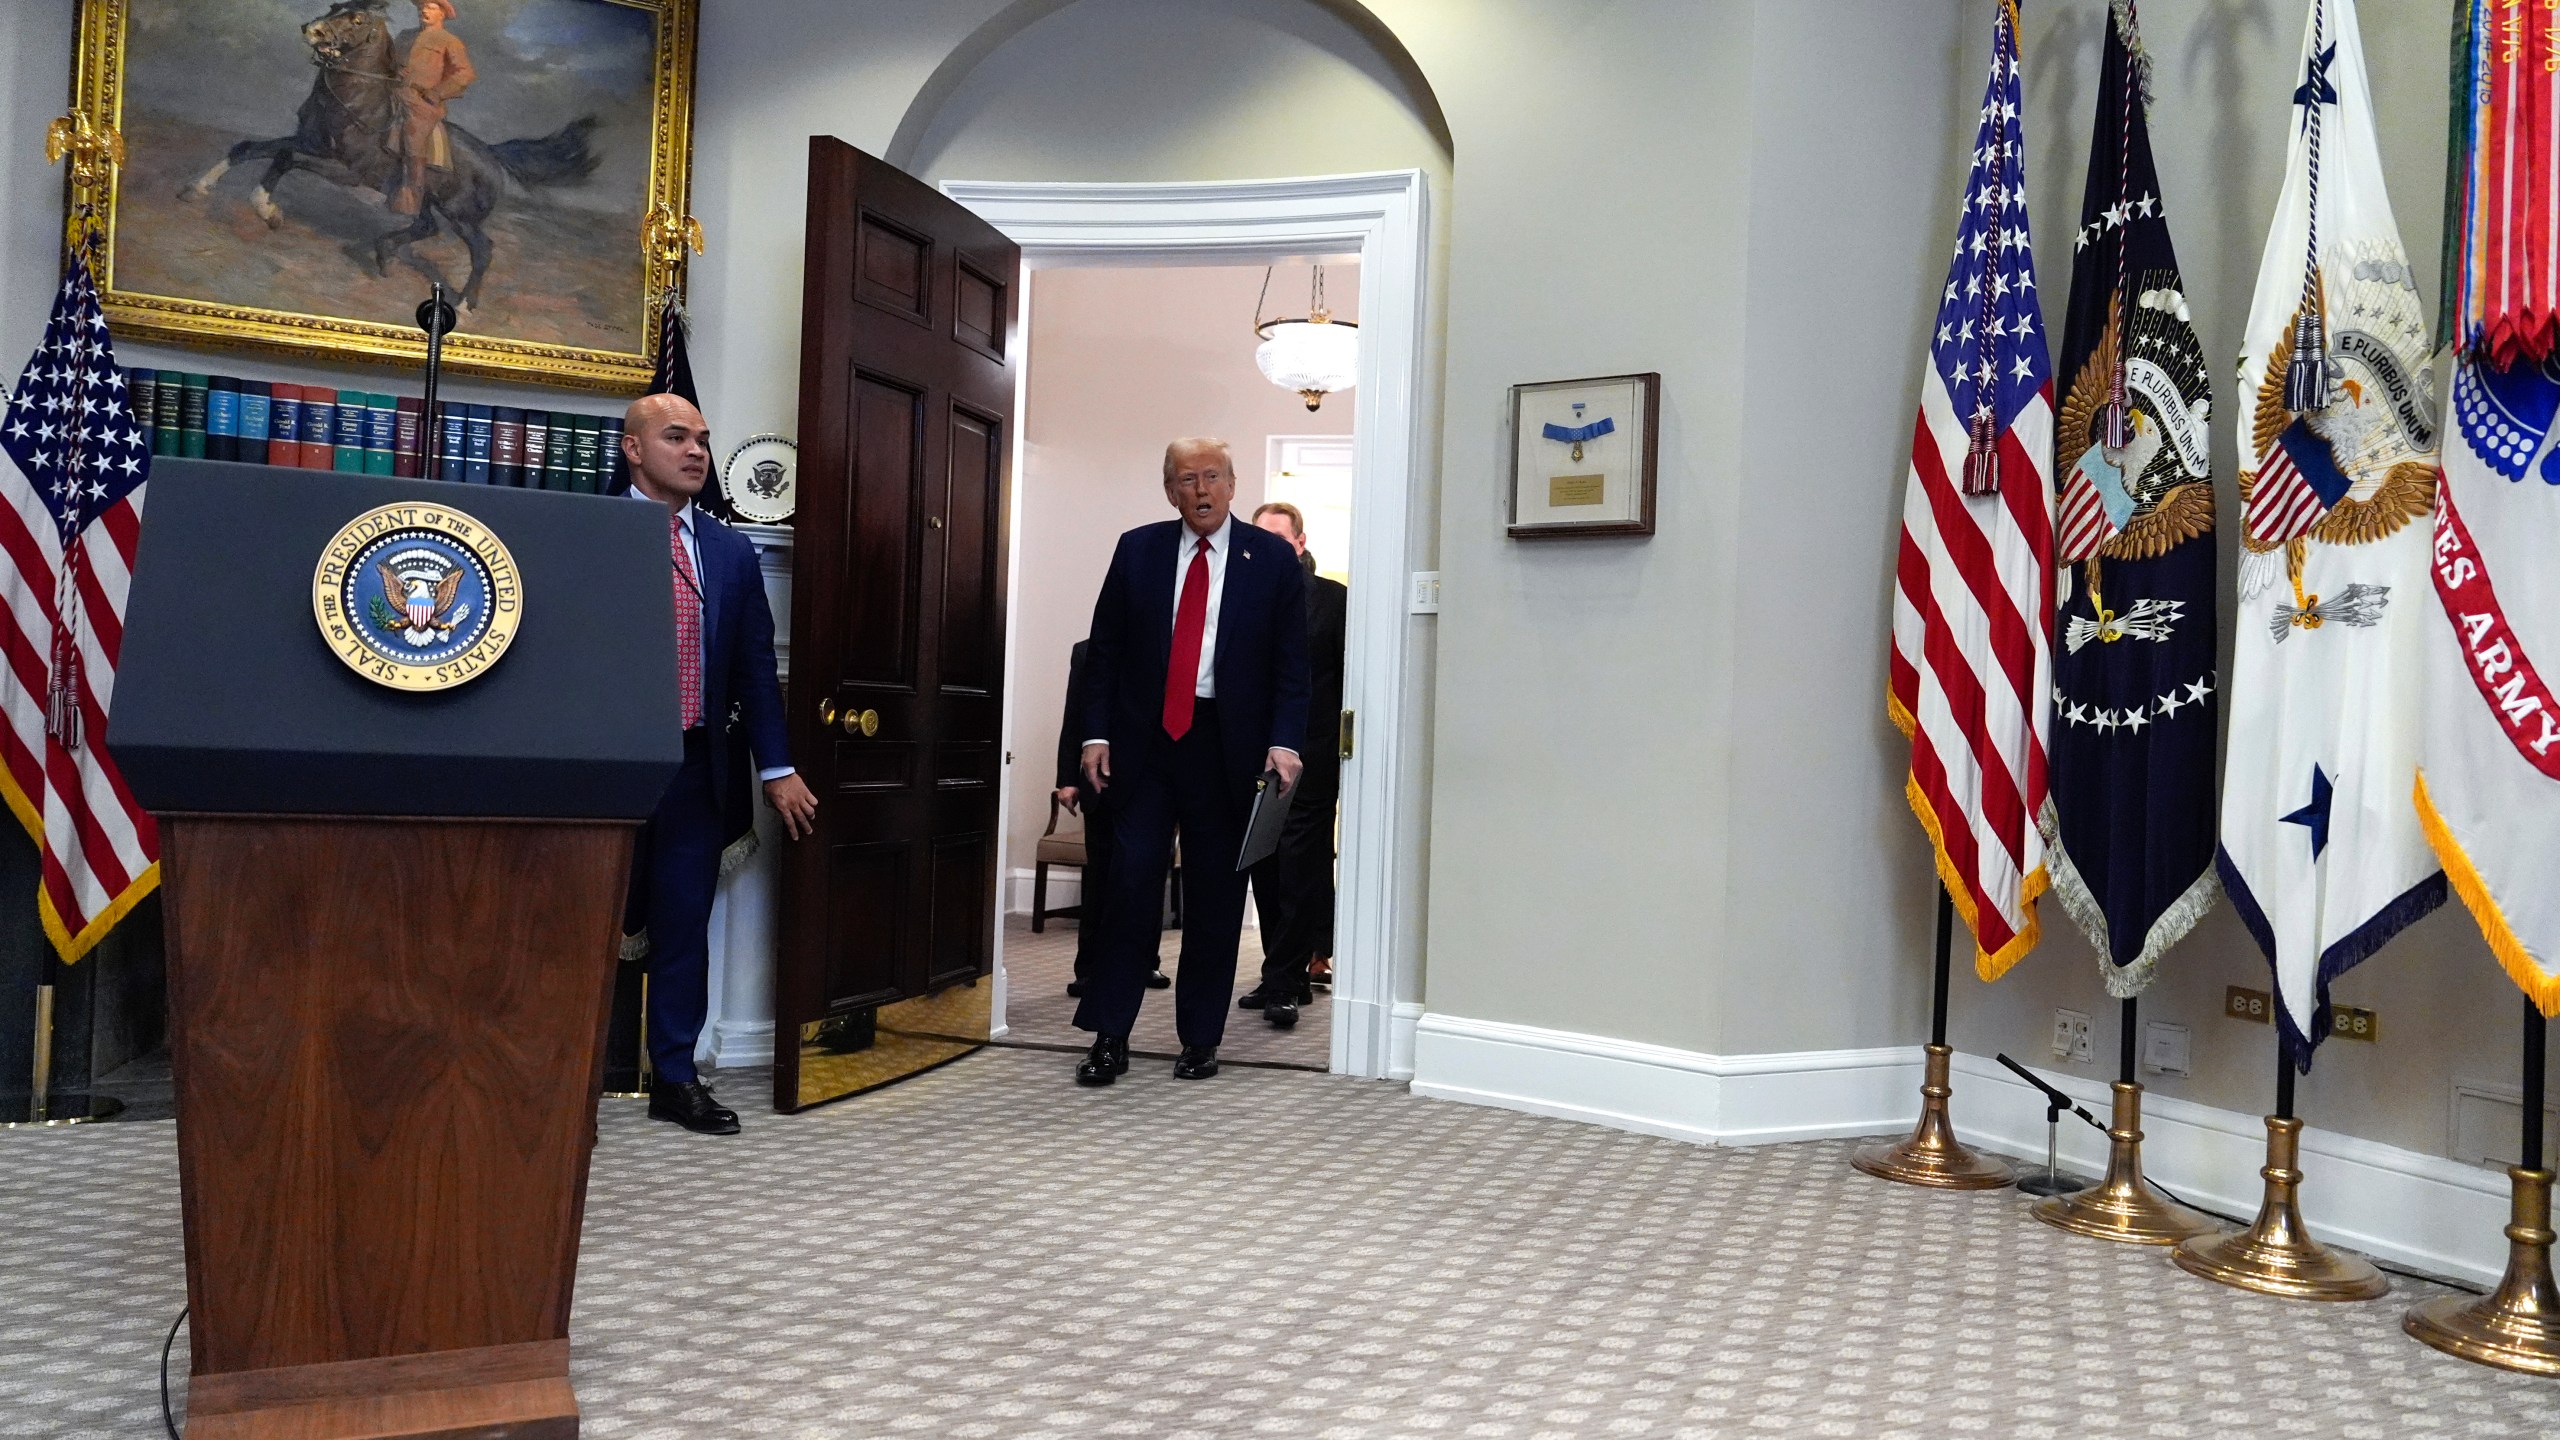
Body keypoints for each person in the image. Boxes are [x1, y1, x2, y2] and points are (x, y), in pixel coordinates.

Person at [1071, 438, 1310, 1084]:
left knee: (1215, 896)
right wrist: (1094, 736)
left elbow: (1293, 666)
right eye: (1185, 479)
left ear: (1233, 485)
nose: (1200, 490)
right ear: (1169, 490)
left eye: (1211, 477)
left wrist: (1285, 743)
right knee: (1129, 886)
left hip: (1226, 748)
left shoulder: (1273, 566)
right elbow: (1106, 652)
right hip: (1145, 745)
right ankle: (1109, 1036)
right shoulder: (1138, 550)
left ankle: (1200, 1038)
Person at [621, 393, 818, 1133]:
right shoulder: (587, 528)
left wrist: (776, 766)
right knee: (584, 920)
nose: (697, 451)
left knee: (682, 922)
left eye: (703, 439)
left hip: (696, 765)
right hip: (603, 765)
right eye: (677, 437)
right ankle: (568, 1073)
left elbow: (753, 671)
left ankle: (675, 1076)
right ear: (634, 450)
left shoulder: (730, 551)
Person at [1239, 502, 1347, 1029]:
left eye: (1280, 538)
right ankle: (1281, 973)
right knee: (1265, 868)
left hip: (1312, 761)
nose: (1270, 547)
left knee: (1301, 872)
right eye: (1260, 538)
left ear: (1300, 544)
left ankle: (1287, 980)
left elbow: (1345, 683)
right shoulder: (1242, 598)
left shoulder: (1333, 600)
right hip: (1253, 761)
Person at [1053, 640, 1168, 998]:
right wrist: (1066, 779)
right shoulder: (1087, 652)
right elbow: (1075, 716)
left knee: (1147, 876)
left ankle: (1146, 961)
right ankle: (1088, 967)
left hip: (1153, 783)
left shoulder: (1165, 647)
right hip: (1099, 783)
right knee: (1100, 878)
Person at [391, 0, 476, 216]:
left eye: (431, 7)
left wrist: (437, 93)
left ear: (443, 14)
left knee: (414, 133)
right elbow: (388, 61)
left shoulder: (450, 41)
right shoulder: (404, 36)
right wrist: (394, 70)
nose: (424, 10)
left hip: (422, 103)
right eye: (422, 7)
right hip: (394, 92)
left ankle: (411, 195)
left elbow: (464, 74)